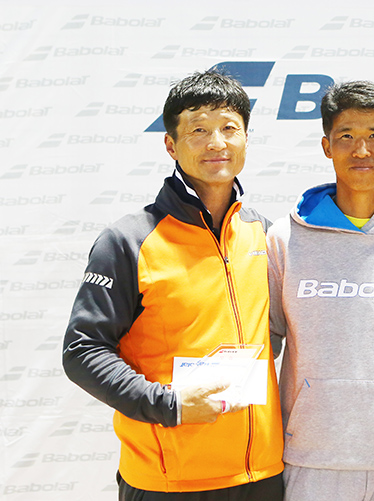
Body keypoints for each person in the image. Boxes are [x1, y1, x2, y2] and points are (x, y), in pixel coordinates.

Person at [63, 71, 286, 499]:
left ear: (245, 139)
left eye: (229, 128)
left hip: (261, 475)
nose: (216, 143)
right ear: (171, 145)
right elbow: (82, 351)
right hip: (168, 481)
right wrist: (172, 405)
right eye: (198, 130)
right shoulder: (129, 240)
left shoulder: (265, 233)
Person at [266, 80, 374, 501]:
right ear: (326, 146)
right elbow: (263, 342)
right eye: (346, 136)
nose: (361, 150)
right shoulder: (284, 238)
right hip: (310, 453)